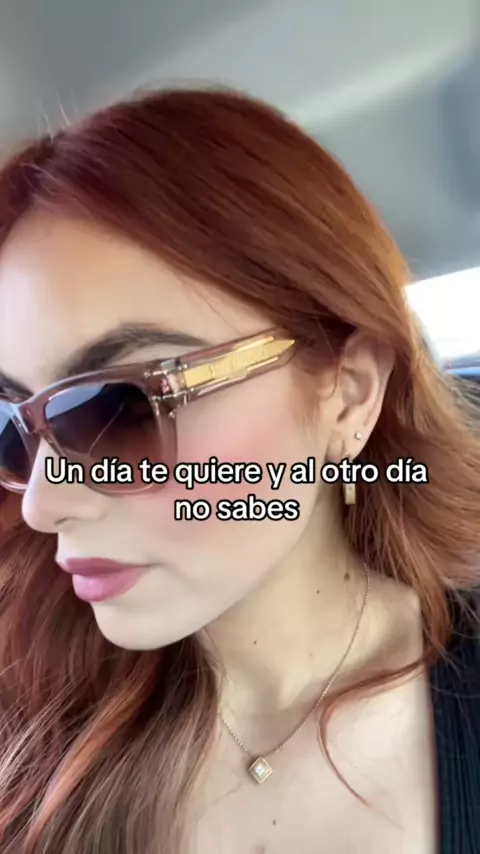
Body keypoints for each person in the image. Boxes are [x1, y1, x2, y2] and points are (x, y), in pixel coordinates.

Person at [0, 88, 478, 854]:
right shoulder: (28, 707)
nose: (42, 505)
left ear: (349, 393)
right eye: (11, 425)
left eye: (119, 407)